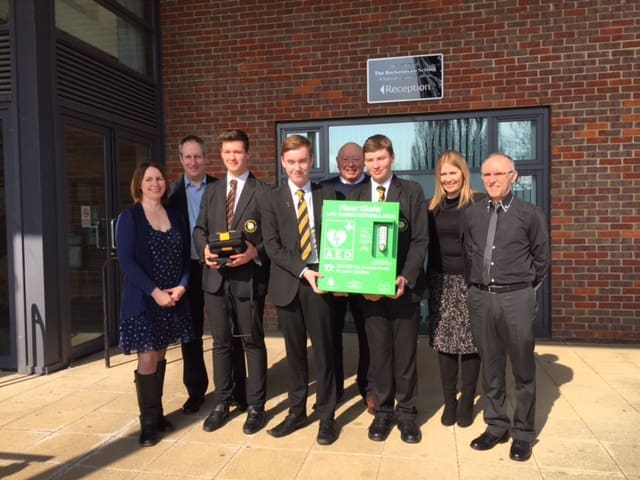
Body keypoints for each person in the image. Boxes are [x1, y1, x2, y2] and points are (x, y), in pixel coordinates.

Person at [462, 153, 550, 462]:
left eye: (498, 173)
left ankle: (523, 433)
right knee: (491, 366)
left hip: (517, 298)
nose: (492, 179)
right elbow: (468, 253)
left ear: (513, 176)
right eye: (486, 174)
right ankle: (496, 425)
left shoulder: (530, 214)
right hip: (482, 298)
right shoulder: (472, 214)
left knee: (523, 370)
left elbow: (542, 260)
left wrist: (523, 290)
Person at [348, 134, 429, 444]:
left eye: (380, 159)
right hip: (370, 293)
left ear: (391, 158)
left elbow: (421, 240)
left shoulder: (411, 191)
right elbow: (354, 244)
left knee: (405, 356)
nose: (375, 165)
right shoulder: (356, 196)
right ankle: (383, 412)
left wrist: (405, 277)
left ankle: (407, 414)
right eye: (370, 161)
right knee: (379, 356)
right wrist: (360, 285)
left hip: (402, 290)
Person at [260, 134, 340, 445]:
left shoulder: (328, 194)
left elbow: (340, 239)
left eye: (303, 161)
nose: (298, 167)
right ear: (283, 163)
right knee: (295, 354)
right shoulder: (271, 199)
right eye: (291, 162)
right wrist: (303, 270)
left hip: (322, 283)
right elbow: (272, 246)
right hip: (289, 284)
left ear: (312, 161)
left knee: (325, 352)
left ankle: (327, 416)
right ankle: (297, 411)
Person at [193, 129, 270, 435]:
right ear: (221, 155)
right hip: (215, 279)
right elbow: (199, 228)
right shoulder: (211, 191)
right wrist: (204, 249)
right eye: (227, 152)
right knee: (221, 343)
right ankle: (222, 403)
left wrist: (255, 251)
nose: (232, 157)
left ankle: (255, 406)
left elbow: (272, 237)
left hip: (247, 281)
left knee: (252, 342)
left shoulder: (262, 191)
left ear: (247, 154)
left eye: (237, 152)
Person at [116, 162, 194, 447]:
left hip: (173, 298)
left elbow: (186, 256)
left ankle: (158, 414)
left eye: (159, 178)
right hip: (145, 299)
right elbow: (127, 261)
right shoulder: (129, 217)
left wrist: (182, 286)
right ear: (139, 184)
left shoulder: (175, 215)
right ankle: (147, 423)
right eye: (148, 179)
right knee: (148, 358)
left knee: (161, 355)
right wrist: (155, 292)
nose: (155, 183)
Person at [168, 135, 246, 415]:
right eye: (187, 157)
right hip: (186, 270)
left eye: (197, 156)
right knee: (191, 334)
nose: (193, 162)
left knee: (229, 329)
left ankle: (238, 388)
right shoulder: (171, 194)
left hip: (219, 266)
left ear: (205, 158)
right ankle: (196, 390)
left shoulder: (220, 187)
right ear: (181, 160)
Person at [427, 150, 483, 428]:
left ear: (463, 173)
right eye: (443, 173)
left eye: (453, 172)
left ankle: (467, 402)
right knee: (445, 345)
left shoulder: (479, 203)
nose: (448, 178)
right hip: (440, 283)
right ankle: (450, 403)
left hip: (471, 283)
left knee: (471, 346)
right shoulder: (431, 207)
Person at [319, 142, 374, 412]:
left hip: (367, 275)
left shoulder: (376, 187)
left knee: (369, 335)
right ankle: (334, 388)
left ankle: (369, 387)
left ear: (364, 161)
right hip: (334, 276)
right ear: (337, 160)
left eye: (356, 159)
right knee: (331, 334)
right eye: (345, 159)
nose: (350, 164)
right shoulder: (323, 189)